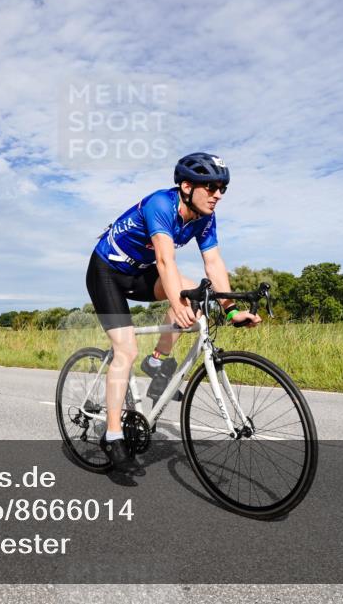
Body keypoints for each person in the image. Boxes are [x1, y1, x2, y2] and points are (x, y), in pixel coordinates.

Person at [87, 152, 261, 471]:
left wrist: (232, 310)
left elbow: (214, 263)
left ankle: (157, 362)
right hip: (106, 272)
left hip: (140, 273)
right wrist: (176, 304)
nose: (218, 194)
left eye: (222, 187)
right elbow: (166, 262)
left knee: (195, 293)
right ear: (186, 186)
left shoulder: (205, 218)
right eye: (210, 187)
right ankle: (112, 435)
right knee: (125, 349)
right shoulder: (160, 205)